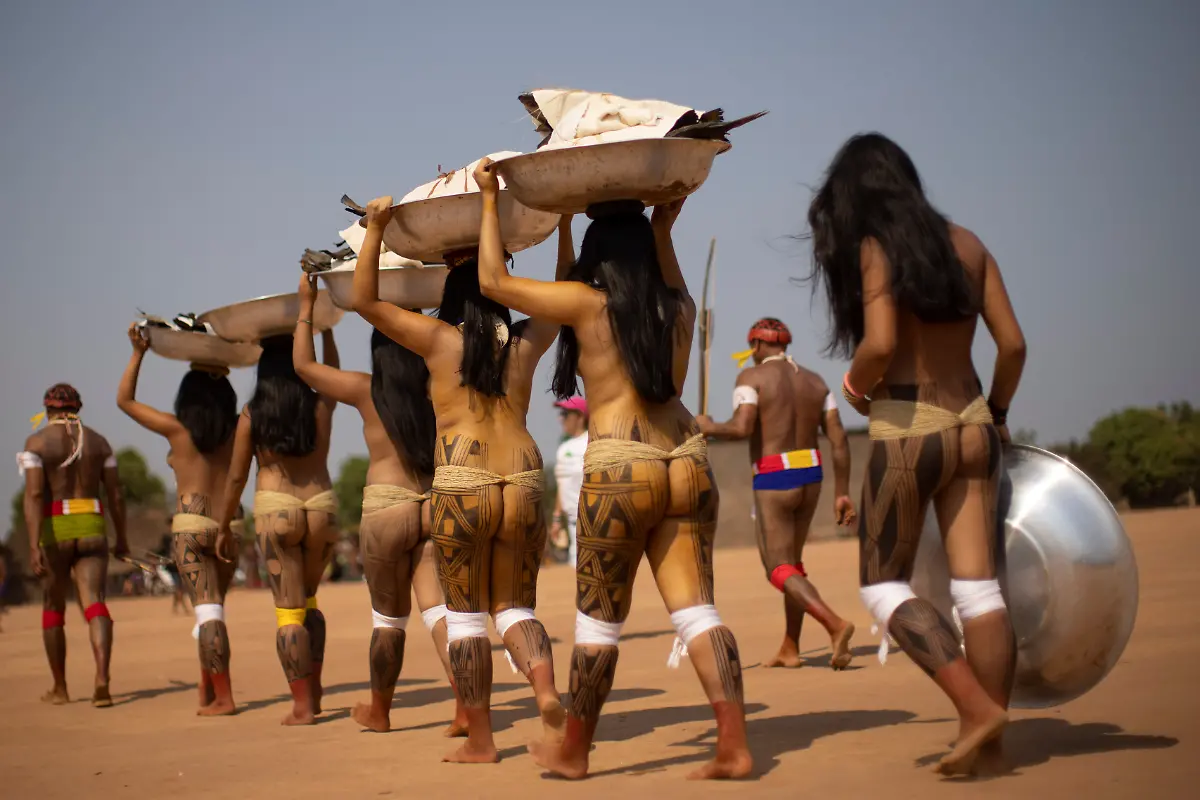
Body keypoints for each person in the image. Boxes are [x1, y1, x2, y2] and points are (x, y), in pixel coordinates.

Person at [474, 157, 751, 780]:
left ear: (596, 254)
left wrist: (491, 197)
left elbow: (492, 281)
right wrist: (664, 229)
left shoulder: (585, 303)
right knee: (698, 610)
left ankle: (575, 751)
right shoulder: (678, 305)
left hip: (621, 464)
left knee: (598, 625)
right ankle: (733, 743)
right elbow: (665, 263)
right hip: (685, 457)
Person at [805, 132, 1026, 776]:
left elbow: (878, 343)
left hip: (909, 423)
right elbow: (1011, 345)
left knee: (882, 586)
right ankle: (991, 739)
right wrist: (1001, 413)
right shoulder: (969, 244)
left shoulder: (877, 248)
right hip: (975, 421)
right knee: (979, 588)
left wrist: (852, 388)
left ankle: (975, 710)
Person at [353, 197, 570, 764]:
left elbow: (365, 301)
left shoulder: (437, 341)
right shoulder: (525, 342)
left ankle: (482, 741)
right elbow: (568, 287)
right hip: (522, 473)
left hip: (462, 477)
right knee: (516, 607)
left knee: (468, 616)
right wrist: (565, 223)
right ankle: (546, 690)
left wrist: (375, 228)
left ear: (448, 296)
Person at [291, 273, 468, 736]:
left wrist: (307, 307)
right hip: (432, 501)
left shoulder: (365, 390)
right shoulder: (438, 387)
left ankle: (380, 710)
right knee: (439, 613)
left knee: (389, 620)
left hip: (386, 506)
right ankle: (466, 705)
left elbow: (304, 367)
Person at [696, 317, 857, 669]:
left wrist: (707, 427)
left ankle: (835, 624)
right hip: (812, 472)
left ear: (755, 346)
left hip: (774, 474)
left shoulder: (751, 378)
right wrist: (842, 493)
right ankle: (790, 647)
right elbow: (840, 441)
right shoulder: (816, 382)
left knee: (777, 567)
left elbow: (741, 428)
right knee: (794, 564)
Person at [216, 330, 340, 726]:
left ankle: (302, 706)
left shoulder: (253, 413)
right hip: (322, 506)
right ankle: (317, 692)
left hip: (276, 507)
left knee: (289, 614)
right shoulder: (319, 402)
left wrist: (223, 525)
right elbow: (332, 372)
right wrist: (326, 328)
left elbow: (236, 477)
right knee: (310, 602)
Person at [118, 327, 240, 714]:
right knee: (215, 609)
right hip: (229, 527)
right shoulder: (239, 429)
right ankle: (208, 688)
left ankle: (224, 696)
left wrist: (138, 353)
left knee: (207, 612)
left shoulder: (176, 430)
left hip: (190, 525)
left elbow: (125, 401)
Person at [17, 383, 128, 706]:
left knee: (53, 607)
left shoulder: (37, 443)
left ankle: (60, 688)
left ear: (47, 409)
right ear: (78, 408)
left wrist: (35, 544)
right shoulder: (99, 443)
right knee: (94, 603)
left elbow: (35, 495)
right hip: (93, 525)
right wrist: (121, 537)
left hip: (55, 528)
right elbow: (116, 496)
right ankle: (102, 678)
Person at [551, 396, 589, 567]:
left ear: (580, 417)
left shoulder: (591, 442)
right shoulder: (563, 449)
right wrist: (557, 519)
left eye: (565, 414)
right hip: (573, 525)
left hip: (592, 522)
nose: (561, 418)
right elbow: (562, 485)